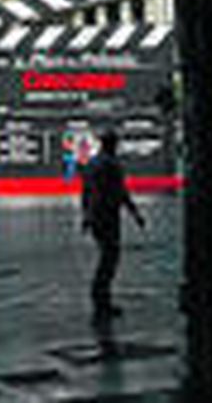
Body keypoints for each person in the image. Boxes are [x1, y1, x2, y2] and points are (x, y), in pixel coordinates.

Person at [81, 129, 146, 321]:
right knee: (110, 258)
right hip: (109, 215)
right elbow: (121, 192)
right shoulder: (112, 164)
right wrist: (135, 213)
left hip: (96, 215)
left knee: (105, 255)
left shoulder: (92, 163)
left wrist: (86, 216)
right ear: (113, 144)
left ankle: (99, 298)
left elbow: (86, 193)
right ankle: (102, 299)